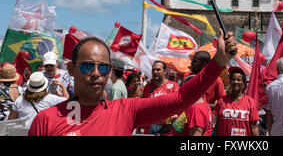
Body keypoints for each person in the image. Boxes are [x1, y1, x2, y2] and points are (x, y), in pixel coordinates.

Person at [28, 30, 237, 136]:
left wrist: (218, 62)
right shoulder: (46, 120)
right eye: (86, 66)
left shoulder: (127, 110)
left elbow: (180, 99)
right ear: (71, 69)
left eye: (102, 67)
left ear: (109, 72)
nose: (95, 73)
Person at [213, 66, 259, 136]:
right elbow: (217, 125)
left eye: (239, 80)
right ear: (230, 82)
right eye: (233, 79)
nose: (236, 82)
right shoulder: (222, 101)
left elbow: (254, 127)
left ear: (243, 84)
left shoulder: (250, 102)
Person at [142, 60, 179, 135]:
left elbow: (179, 109)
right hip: (150, 130)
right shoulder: (147, 87)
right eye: (153, 70)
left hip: (167, 131)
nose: (155, 72)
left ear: (165, 71)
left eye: (158, 69)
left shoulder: (174, 86)